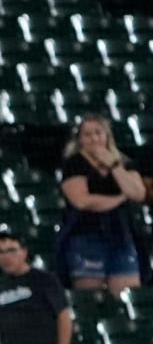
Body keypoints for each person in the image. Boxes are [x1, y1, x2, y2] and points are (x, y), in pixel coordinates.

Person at [57, 114, 147, 296]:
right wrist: (119, 199)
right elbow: (82, 201)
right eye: (87, 134)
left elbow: (138, 193)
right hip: (85, 236)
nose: (94, 138)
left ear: (107, 136)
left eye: (98, 133)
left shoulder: (124, 163)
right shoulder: (74, 164)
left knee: (127, 294)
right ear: (80, 139)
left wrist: (114, 165)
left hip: (121, 236)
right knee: (90, 299)